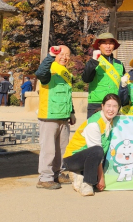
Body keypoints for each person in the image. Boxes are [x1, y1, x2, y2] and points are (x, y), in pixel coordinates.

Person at [35, 45, 76, 189]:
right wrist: (50, 56)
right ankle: (45, 178)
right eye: (62, 54)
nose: (65, 57)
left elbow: (67, 95)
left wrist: (72, 112)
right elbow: (40, 73)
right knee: (48, 149)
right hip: (49, 116)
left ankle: (57, 174)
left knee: (61, 149)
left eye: (68, 55)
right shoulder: (49, 69)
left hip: (64, 117)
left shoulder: (66, 73)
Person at [63, 94, 120, 196]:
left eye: (115, 106)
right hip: (72, 159)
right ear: (102, 106)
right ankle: (87, 183)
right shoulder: (94, 124)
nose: (111, 109)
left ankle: (79, 176)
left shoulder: (110, 120)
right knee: (97, 150)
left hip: (88, 158)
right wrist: (101, 178)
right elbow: (96, 153)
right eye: (108, 106)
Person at [82, 33, 125, 118]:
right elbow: (86, 78)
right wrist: (94, 61)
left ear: (114, 46)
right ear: (99, 45)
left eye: (110, 43)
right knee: (95, 130)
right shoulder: (94, 61)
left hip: (114, 104)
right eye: (104, 43)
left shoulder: (119, 64)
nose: (108, 46)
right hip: (96, 103)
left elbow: (123, 87)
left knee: (113, 131)